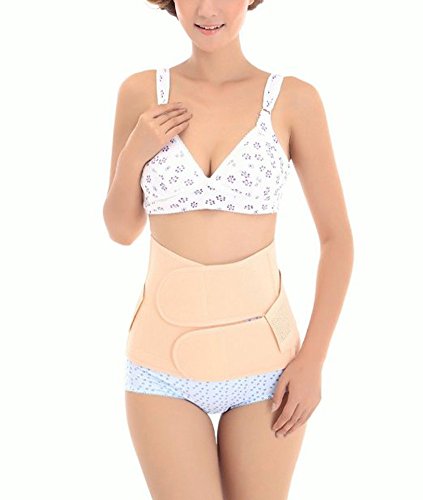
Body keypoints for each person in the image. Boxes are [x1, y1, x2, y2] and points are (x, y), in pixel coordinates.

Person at [103, 0, 354, 498]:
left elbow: (337, 240)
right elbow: (120, 229)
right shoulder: (141, 92)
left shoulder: (294, 100)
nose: (207, 9)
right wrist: (136, 152)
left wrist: (313, 361)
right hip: (161, 368)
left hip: (267, 369)